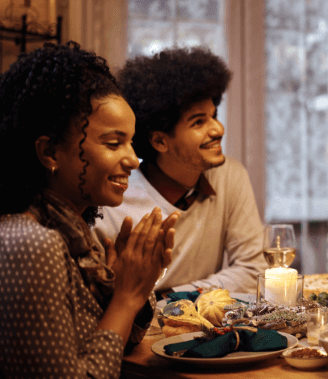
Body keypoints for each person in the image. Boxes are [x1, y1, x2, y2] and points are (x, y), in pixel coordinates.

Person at [0, 42, 176, 378]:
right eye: (113, 143)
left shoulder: (75, 235)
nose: (131, 160)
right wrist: (126, 297)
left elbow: (110, 347)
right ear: (50, 151)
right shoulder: (33, 245)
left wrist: (125, 288)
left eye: (131, 142)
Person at [94, 47, 266, 295]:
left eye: (214, 115)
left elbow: (253, 270)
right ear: (160, 141)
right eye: (199, 122)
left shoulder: (230, 176)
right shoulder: (111, 202)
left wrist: (173, 297)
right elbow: (99, 295)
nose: (218, 129)